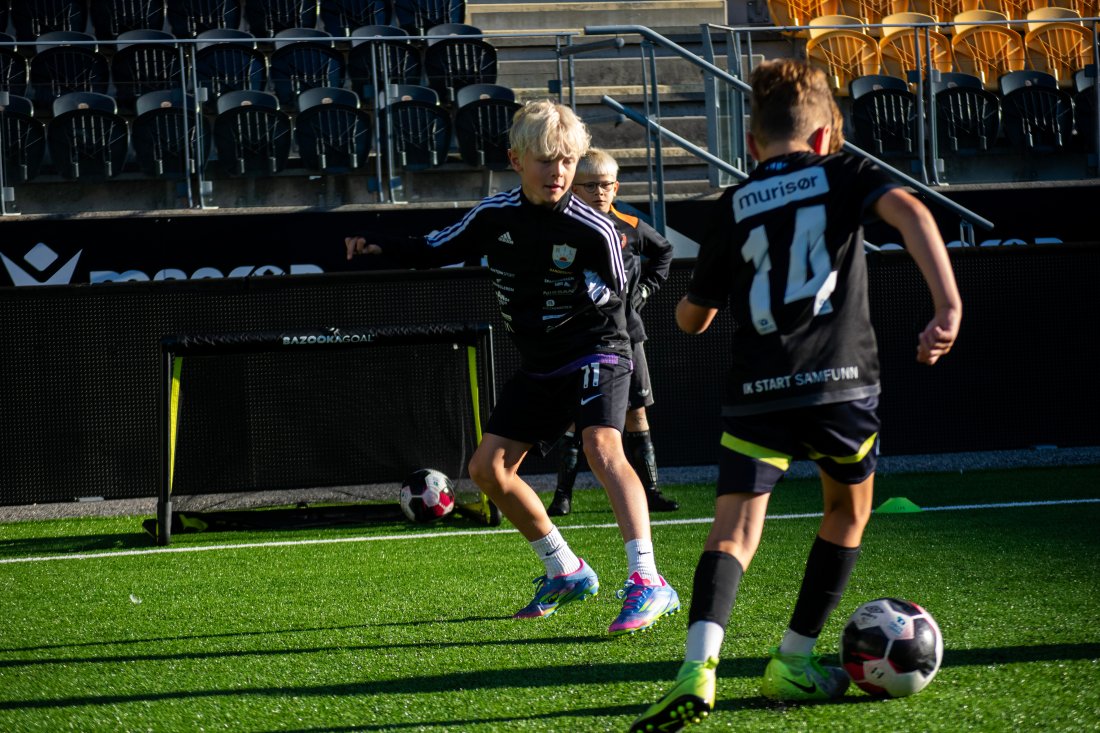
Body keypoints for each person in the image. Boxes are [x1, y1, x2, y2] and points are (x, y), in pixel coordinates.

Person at [630, 58, 962, 731]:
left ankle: (697, 668)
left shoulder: (732, 204)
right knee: (845, 511)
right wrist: (948, 307)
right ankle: (793, 658)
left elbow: (691, 317)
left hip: (758, 386)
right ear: (825, 137)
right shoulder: (843, 172)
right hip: (840, 383)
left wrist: (711, 298)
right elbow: (913, 214)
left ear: (751, 145)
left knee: (733, 531)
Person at [345, 100, 680, 636]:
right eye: (547, 160)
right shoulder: (494, 216)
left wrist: (603, 293)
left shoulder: (594, 226)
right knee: (487, 470)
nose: (559, 173)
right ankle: (564, 568)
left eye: (567, 161)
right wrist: (375, 244)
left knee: (601, 446)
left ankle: (648, 579)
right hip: (542, 361)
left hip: (599, 349)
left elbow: (622, 290)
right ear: (516, 160)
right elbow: (433, 249)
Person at [548, 148, 679, 517]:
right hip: (576, 338)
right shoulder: (562, 228)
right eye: (589, 186)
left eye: (606, 185)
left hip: (627, 336)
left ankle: (651, 490)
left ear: (616, 187)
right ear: (573, 189)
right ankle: (562, 496)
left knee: (636, 412)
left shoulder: (630, 226)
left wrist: (644, 291)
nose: (599, 193)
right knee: (577, 415)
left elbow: (664, 253)